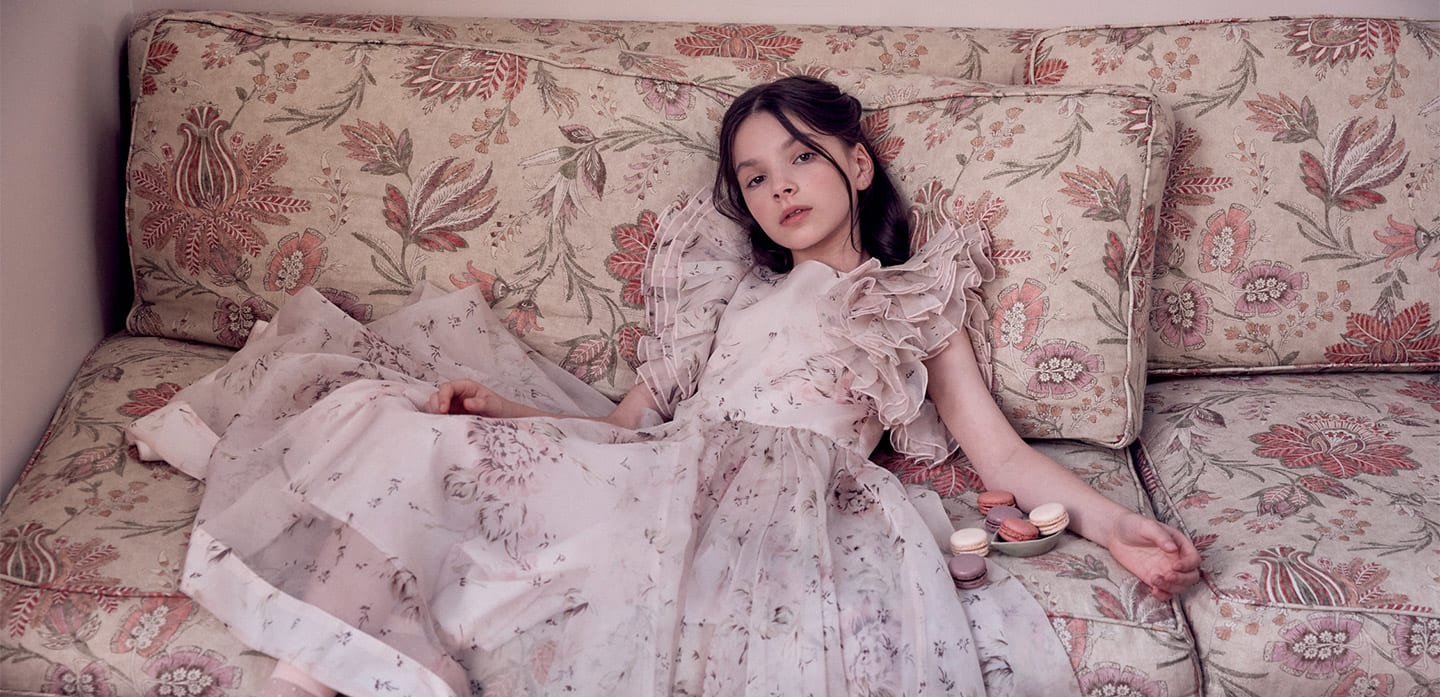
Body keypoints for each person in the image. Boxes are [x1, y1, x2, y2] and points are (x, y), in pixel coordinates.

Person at [129, 76, 1199, 697]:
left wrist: (1116, 527)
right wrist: (508, 414)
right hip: (664, 468)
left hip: (788, 498)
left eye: (801, 159)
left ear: (858, 164)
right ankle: (335, 655)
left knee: (562, 578)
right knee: (393, 423)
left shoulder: (910, 298)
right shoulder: (729, 294)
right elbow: (626, 431)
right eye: (755, 176)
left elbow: (1000, 455)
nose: (779, 186)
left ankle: (343, 659)